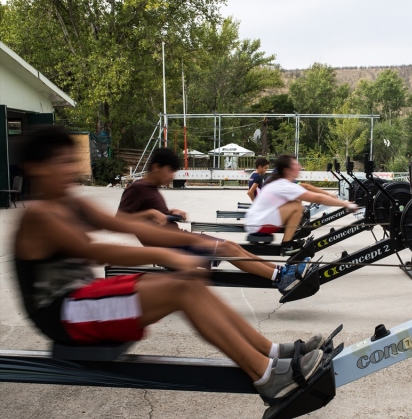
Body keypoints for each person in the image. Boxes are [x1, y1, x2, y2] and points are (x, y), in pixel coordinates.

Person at [12, 126, 325, 402]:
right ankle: (268, 376)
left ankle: (271, 351)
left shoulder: (71, 202)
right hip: (63, 314)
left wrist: (195, 244)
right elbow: (92, 250)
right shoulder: (39, 214)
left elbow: (125, 224)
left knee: (188, 284)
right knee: (181, 291)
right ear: (35, 168)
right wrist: (165, 255)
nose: (70, 169)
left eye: (71, 161)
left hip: (82, 300)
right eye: (61, 162)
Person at [117, 148, 302, 291]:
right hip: (169, 248)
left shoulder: (149, 189)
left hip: (179, 240)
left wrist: (170, 212)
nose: (172, 176)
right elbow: (120, 221)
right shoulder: (137, 188)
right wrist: (149, 214)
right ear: (156, 167)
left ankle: (280, 270)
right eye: (169, 171)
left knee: (231, 245)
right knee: (228, 250)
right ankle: (279, 278)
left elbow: (155, 215)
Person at [245, 154, 358, 276]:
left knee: (296, 203)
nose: (299, 167)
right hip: (259, 225)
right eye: (295, 165)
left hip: (256, 222)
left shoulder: (279, 182)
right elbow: (318, 198)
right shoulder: (284, 185)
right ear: (287, 170)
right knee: (296, 206)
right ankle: (286, 245)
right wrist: (346, 204)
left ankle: (288, 239)